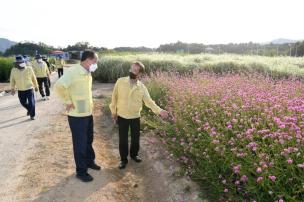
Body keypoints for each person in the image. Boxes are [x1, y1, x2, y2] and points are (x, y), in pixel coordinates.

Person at [109, 61, 169, 169]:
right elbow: (114, 98)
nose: (132, 71)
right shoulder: (120, 81)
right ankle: (123, 159)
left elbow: (149, 102)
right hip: (122, 115)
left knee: (135, 138)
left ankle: (134, 155)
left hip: (135, 117)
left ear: (140, 74)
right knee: (123, 139)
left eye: (135, 70)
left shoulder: (142, 87)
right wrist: (113, 112)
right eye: (132, 68)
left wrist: (160, 111)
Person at [54, 50, 100, 182]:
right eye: (95, 61)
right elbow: (59, 86)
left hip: (87, 113)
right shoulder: (73, 72)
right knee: (80, 144)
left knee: (88, 140)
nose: (96, 64)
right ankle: (81, 171)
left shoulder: (88, 73)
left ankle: (89, 162)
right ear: (88, 60)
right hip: (77, 116)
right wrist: (67, 101)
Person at [10, 55, 39, 120]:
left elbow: (33, 78)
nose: (19, 63)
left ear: (23, 62)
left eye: (21, 62)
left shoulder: (29, 68)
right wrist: (12, 89)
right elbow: (12, 80)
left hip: (29, 88)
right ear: (16, 63)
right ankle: (29, 109)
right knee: (23, 102)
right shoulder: (14, 70)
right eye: (18, 62)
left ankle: (32, 115)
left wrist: (36, 86)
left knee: (31, 102)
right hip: (20, 89)